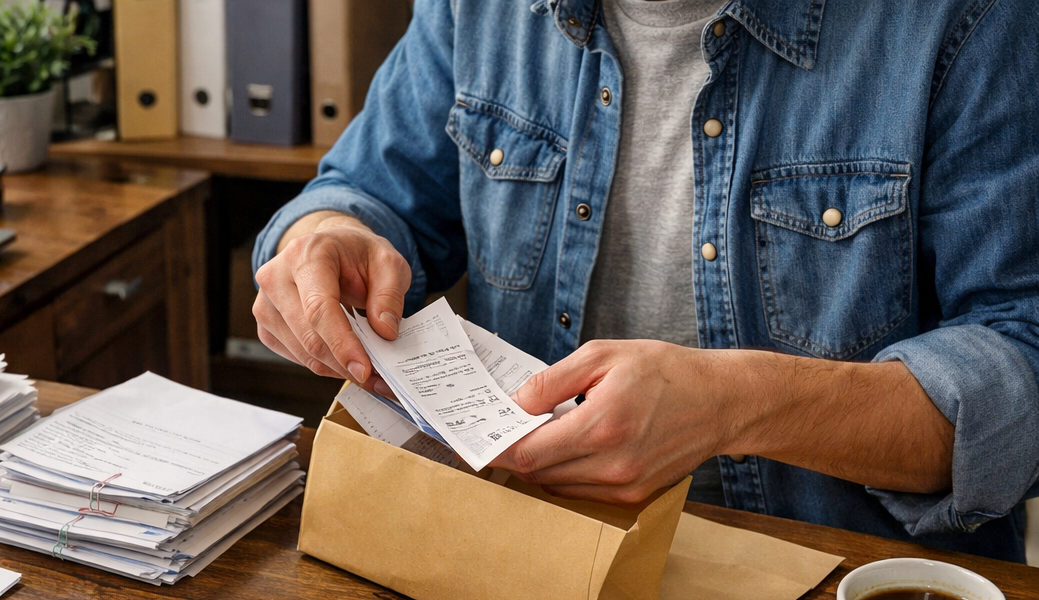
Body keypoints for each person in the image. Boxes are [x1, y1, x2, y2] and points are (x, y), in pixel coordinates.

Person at [251, 0, 1039, 561]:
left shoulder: (970, 17)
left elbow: (1024, 369)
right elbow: (370, 191)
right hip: (526, 566)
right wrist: (321, 236)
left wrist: (736, 405)